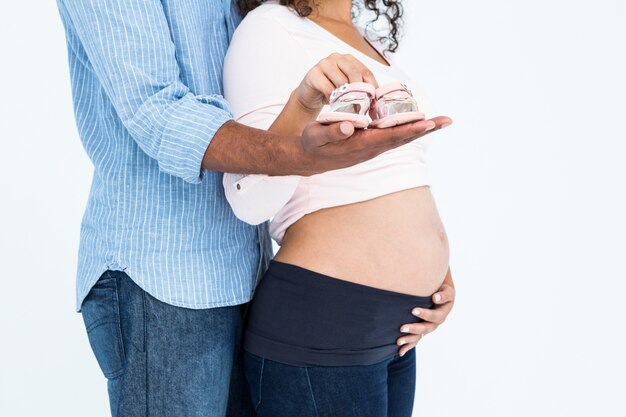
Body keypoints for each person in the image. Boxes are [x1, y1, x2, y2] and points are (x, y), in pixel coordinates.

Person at [55, 0, 455, 415]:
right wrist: (300, 151)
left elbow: (391, 177)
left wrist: (433, 271)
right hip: (162, 271)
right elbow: (157, 112)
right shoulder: (269, 28)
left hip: (250, 269)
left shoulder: (334, 31)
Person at [222, 1, 455, 416]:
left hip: (398, 332)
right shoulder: (270, 28)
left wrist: (439, 277)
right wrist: (303, 104)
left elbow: (399, 175)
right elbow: (248, 195)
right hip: (327, 322)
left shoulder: (364, 39)